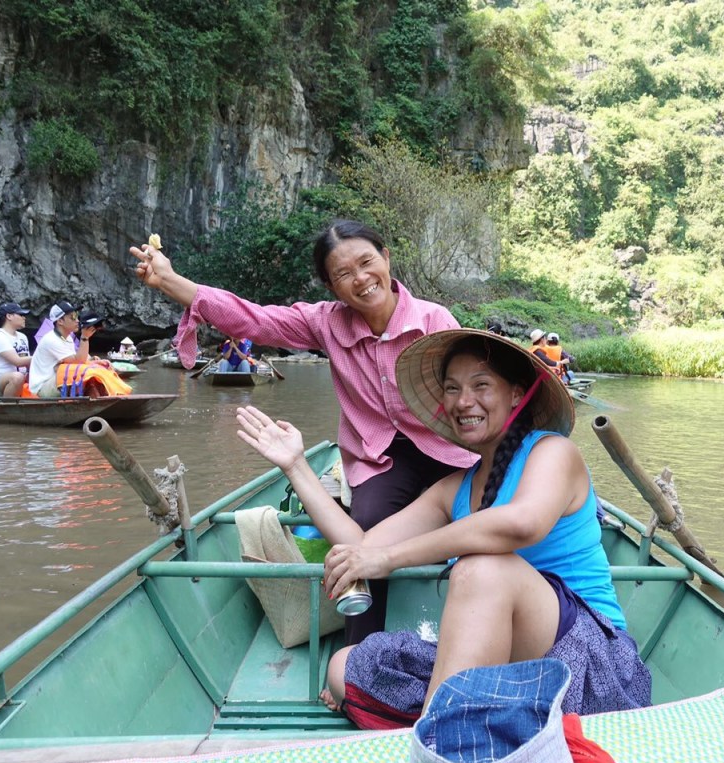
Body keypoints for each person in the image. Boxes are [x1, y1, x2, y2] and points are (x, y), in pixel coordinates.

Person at [233, 329, 653, 726]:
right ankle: (467, 722)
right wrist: (295, 465)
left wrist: (388, 559)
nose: (463, 401)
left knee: (483, 568)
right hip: (502, 665)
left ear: (516, 395)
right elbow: (362, 546)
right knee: (345, 665)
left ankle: (439, 740)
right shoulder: (454, 488)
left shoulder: (553, 452)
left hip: (586, 662)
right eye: (452, 388)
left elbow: (521, 524)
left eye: (481, 385)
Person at [131, 219, 477, 644]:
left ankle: (471, 631)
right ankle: (361, 653)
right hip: (378, 454)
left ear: (386, 259)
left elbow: (469, 395)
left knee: (480, 519)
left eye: (367, 262)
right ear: (332, 287)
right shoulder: (326, 322)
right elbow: (252, 319)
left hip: (446, 447)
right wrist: (168, 280)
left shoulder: (434, 319)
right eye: (344, 275)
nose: (362, 279)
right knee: (365, 529)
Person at [28, 301, 116, 397]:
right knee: (81, 372)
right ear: (60, 321)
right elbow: (78, 361)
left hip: (54, 380)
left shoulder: (67, 337)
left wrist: (93, 361)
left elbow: (76, 359)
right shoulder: (51, 339)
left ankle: (101, 399)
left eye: (76, 316)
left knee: (97, 370)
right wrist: (84, 337)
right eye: (73, 317)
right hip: (42, 387)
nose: (77, 320)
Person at [0, 302, 33, 397]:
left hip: (19, 378)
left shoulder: (23, 337)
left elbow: (27, 362)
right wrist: (40, 356)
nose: (24, 318)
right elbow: (17, 361)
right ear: (9, 316)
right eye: (21, 315)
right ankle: (8, 408)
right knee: (17, 377)